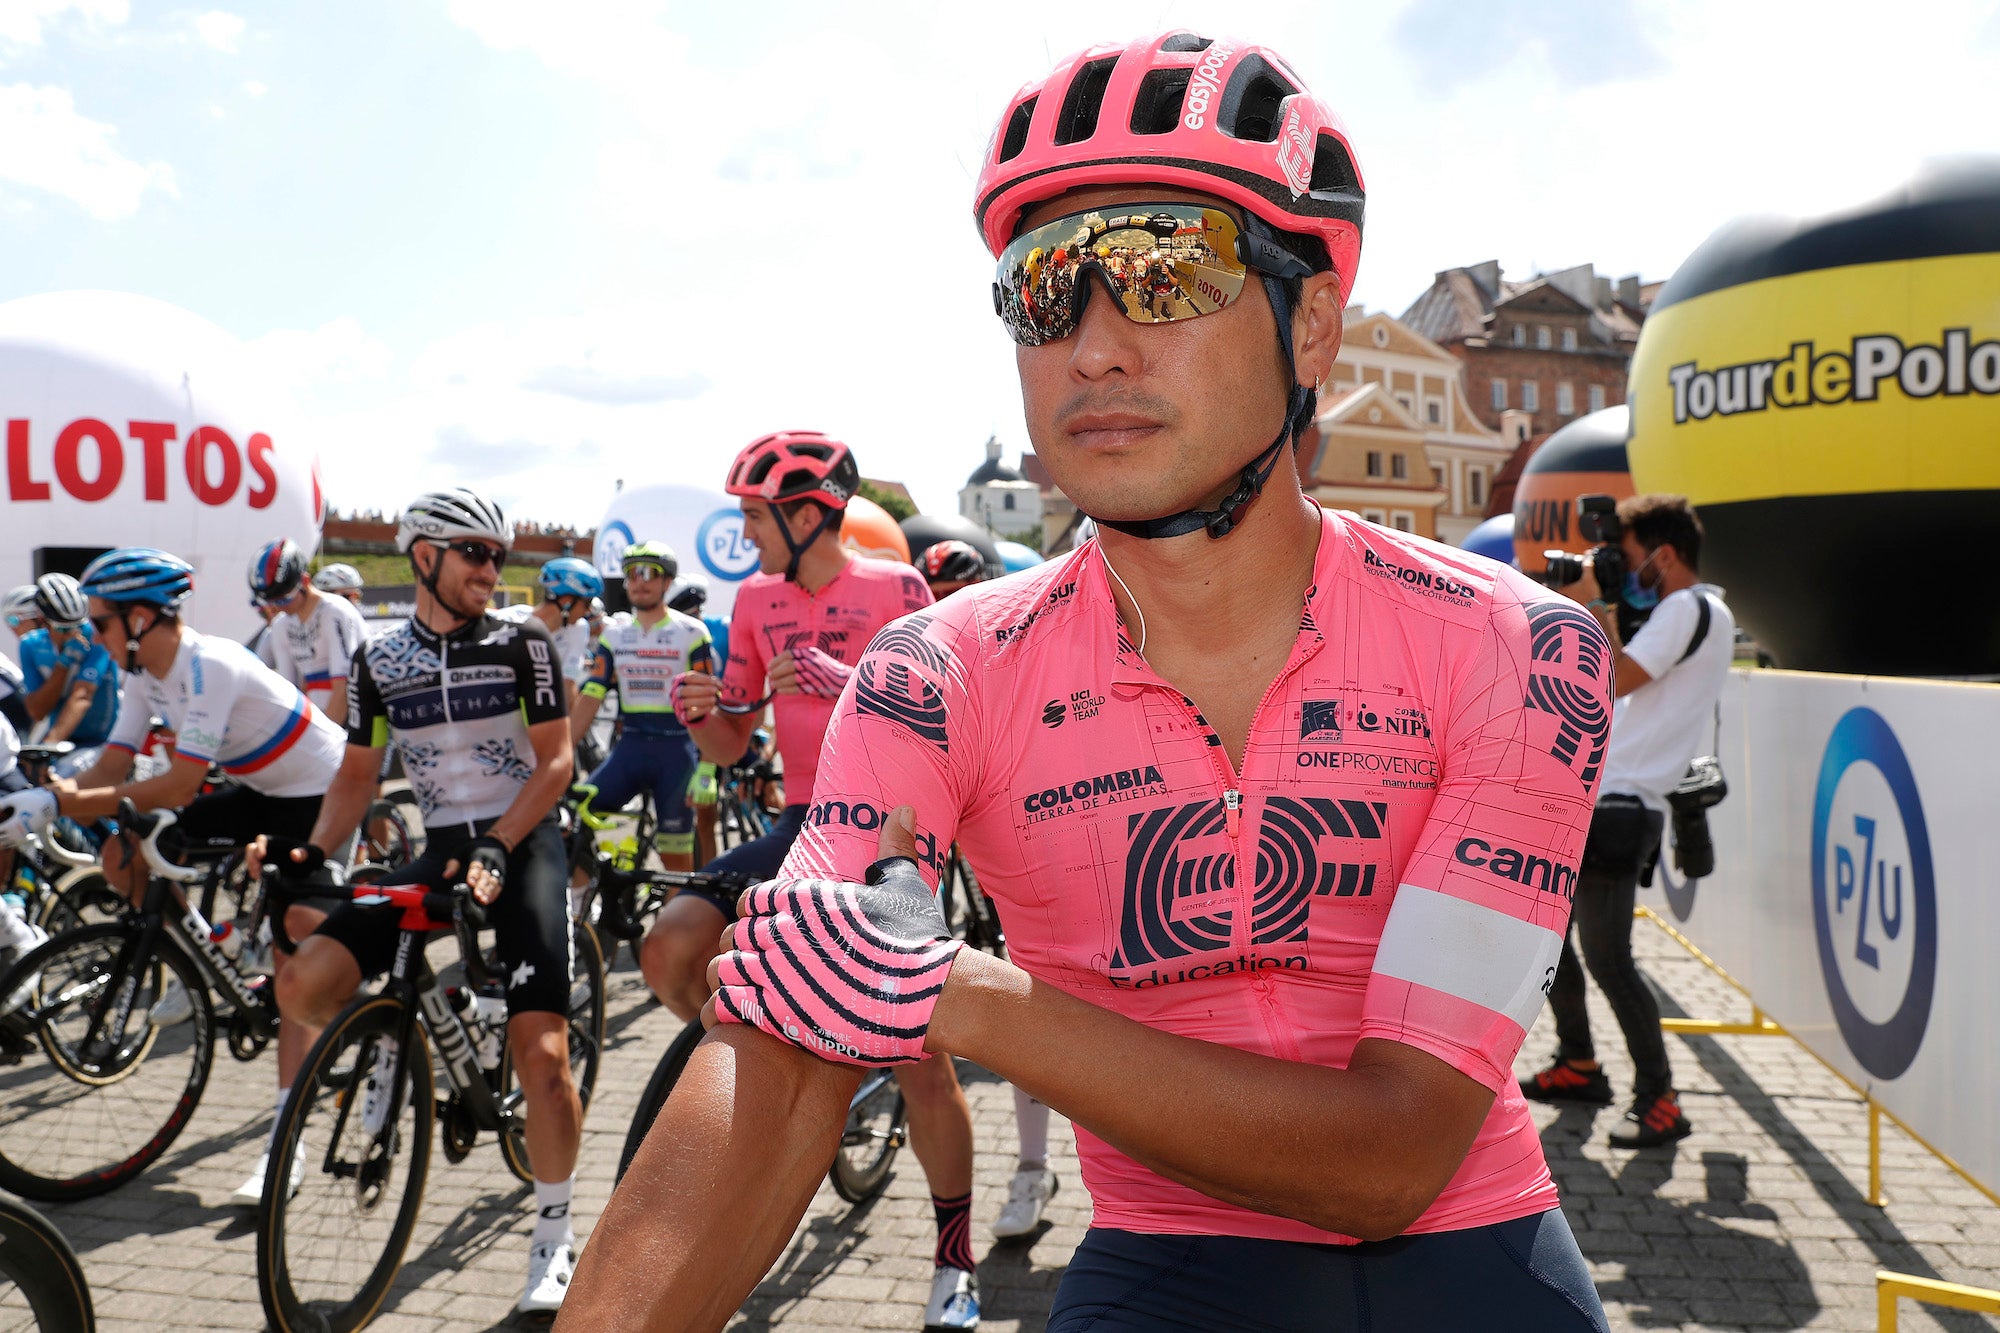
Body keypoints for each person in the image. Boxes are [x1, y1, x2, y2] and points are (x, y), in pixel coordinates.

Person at [564, 32, 1614, 1333]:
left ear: (1315, 324)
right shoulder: (937, 672)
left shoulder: (1517, 645)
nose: (1095, 349)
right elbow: (784, 1047)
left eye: (1168, 274)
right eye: (1044, 290)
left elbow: (1392, 1161)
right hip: (1164, 1257)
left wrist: (967, 995)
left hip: (1476, 1249)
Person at [635, 429, 985, 1330]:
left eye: (755, 515)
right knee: (671, 946)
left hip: (893, 826)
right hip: (801, 821)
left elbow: (941, 716)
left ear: (804, 512)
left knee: (919, 1055)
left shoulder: (896, 587)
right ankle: (782, 1057)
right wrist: (703, 715)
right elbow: (733, 740)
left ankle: (955, 1258)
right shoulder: (753, 599)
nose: (744, 532)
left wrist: (852, 680)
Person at [270, 488, 584, 1315]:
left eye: (498, 555)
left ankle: (554, 1239)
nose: (492, 568)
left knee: (544, 1060)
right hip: (443, 844)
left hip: (521, 844)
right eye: (475, 552)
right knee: (303, 983)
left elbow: (556, 763)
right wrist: (313, 848)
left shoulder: (525, 642)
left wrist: (501, 842)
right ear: (424, 556)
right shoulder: (378, 661)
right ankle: (405, 1028)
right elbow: (357, 776)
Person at [0, 547, 347, 1204]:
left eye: (100, 623)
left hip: (318, 791)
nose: (94, 638)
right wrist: (47, 793)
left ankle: (286, 1138)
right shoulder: (139, 673)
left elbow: (182, 784)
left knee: (290, 950)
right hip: (259, 788)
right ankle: (198, 951)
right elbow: (111, 772)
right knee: (121, 850)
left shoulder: (208, 664)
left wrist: (59, 801)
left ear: (139, 618)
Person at [1521, 494, 1733, 1149]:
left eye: (1629, 558)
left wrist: (1593, 600)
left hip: (1623, 803)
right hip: (1607, 799)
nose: (1621, 567)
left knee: (1610, 959)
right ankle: (1579, 1060)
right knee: (1547, 943)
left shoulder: (1687, 607)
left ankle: (1660, 1099)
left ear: (1665, 556)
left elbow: (1611, 677)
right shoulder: (1694, 611)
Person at [916, 541, 1056, 1241]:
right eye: (931, 587)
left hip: (1042, 828)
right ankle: (1032, 1166)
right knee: (1023, 1007)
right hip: (964, 822)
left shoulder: (1016, 634)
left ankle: (1042, 1167)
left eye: (954, 585)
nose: (941, 598)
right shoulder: (937, 642)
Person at [567, 542, 712, 873]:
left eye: (649, 573)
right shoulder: (614, 636)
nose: (639, 581)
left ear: (666, 582)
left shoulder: (692, 633)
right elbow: (591, 695)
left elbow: (707, 705)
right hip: (629, 749)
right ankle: (595, 910)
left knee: (675, 862)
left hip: (677, 752)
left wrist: (708, 767)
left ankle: (675, 922)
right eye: (632, 573)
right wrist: (561, 754)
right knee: (574, 829)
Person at [251, 539, 369, 728]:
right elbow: (290, 692)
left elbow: (344, 687)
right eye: (272, 601)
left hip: (357, 719)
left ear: (305, 581)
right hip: (318, 721)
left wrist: (326, 737)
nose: (277, 607)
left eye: (283, 599)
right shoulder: (281, 625)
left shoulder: (335, 612)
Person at [15, 575, 121, 778]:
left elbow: (82, 696)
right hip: (61, 740)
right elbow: (38, 711)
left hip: (103, 739)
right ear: (43, 622)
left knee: (64, 774)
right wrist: (64, 663)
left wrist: (48, 745)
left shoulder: (96, 638)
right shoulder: (30, 645)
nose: (74, 634)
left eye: (79, 626)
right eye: (64, 628)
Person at [496, 556, 603, 709]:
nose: (588, 611)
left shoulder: (578, 629)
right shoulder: (507, 621)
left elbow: (568, 685)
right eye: (587, 603)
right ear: (566, 602)